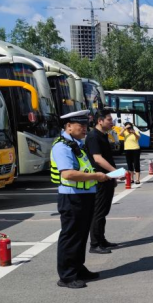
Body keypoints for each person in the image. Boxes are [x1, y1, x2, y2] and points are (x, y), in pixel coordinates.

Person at [50, 110, 109, 289]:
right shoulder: (62, 146)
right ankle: (67, 276)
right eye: (80, 125)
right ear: (68, 126)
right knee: (71, 236)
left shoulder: (77, 144)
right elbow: (68, 174)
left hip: (84, 195)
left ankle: (78, 268)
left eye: (86, 125)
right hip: (72, 197)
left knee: (81, 235)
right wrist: (96, 176)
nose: (85, 129)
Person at [85, 108, 119, 255]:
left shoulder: (103, 135)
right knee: (98, 212)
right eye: (109, 120)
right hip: (99, 179)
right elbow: (98, 159)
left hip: (107, 178)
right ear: (100, 121)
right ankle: (95, 244)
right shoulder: (93, 136)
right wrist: (115, 172)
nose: (112, 122)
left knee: (104, 211)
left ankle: (102, 239)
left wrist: (112, 177)